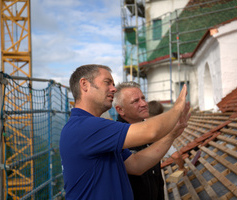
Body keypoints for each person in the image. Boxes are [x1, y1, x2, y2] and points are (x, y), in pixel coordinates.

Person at [60, 64, 190, 200]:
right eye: (107, 83)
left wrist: (171, 135)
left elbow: (136, 164)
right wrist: (177, 108)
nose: (113, 89)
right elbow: (151, 131)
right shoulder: (85, 127)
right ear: (84, 84)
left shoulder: (94, 129)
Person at [113, 82, 164, 200]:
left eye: (143, 98)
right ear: (120, 110)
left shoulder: (149, 129)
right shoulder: (116, 138)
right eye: (135, 101)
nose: (144, 104)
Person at [148, 100, 187, 175]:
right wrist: (182, 168)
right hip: (152, 172)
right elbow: (176, 156)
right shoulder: (160, 132)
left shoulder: (139, 127)